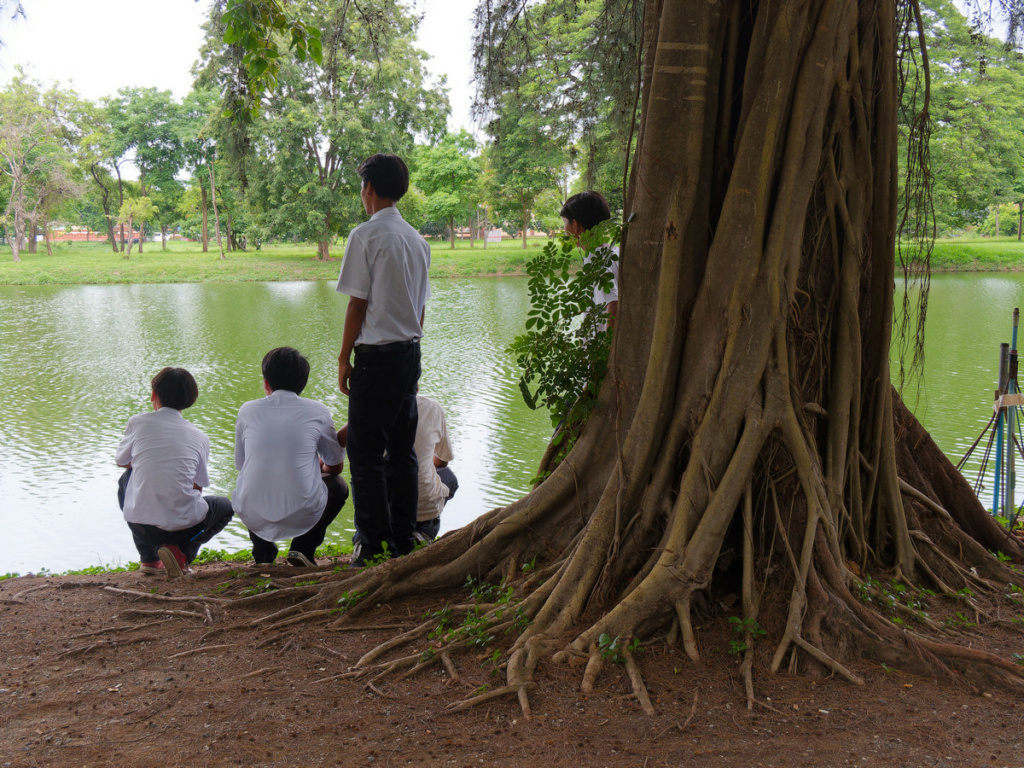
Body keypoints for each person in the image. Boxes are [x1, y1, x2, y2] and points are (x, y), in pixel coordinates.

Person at [336, 153, 431, 566]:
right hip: (410, 352)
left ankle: (372, 543)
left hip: (376, 357)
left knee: (366, 452)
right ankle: (403, 538)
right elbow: (421, 308)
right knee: (402, 450)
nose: (362, 194)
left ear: (369, 189)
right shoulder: (418, 240)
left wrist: (343, 358)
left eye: (362, 187)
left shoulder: (366, 236)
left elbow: (357, 304)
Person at [233, 347, 349, 567]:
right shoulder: (318, 411)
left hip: (253, 511)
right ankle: (302, 550)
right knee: (338, 486)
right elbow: (335, 467)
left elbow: (241, 464)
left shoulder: (246, 410)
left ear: (266, 383)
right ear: (302, 384)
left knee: (250, 480)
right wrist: (317, 466)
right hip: (303, 511)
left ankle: (263, 553)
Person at [115, 367, 234, 579]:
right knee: (225, 507)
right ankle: (182, 554)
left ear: (154, 395)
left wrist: (146, 464)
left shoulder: (138, 422)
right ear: (191, 400)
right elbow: (198, 486)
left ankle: (149, 559)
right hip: (184, 529)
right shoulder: (199, 437)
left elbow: (122, 461)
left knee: (127, 480)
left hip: (140, 526)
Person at [340, 392, 457, 549]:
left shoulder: (372, 406)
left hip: (376, 502)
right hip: (417, 498)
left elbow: (340, 439)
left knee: (363, 473)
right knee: (448, 478)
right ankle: (422, 531)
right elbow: (443, 461)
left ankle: (363, 538)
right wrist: (424, 461)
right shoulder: (433, 408)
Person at [560, 190, 619, 331]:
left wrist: (607, 349)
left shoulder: (595, 257)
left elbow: (613, 302)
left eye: (564, 222)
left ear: (575, 225)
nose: (564, 229)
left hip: (600, 350)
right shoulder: (613, 251)